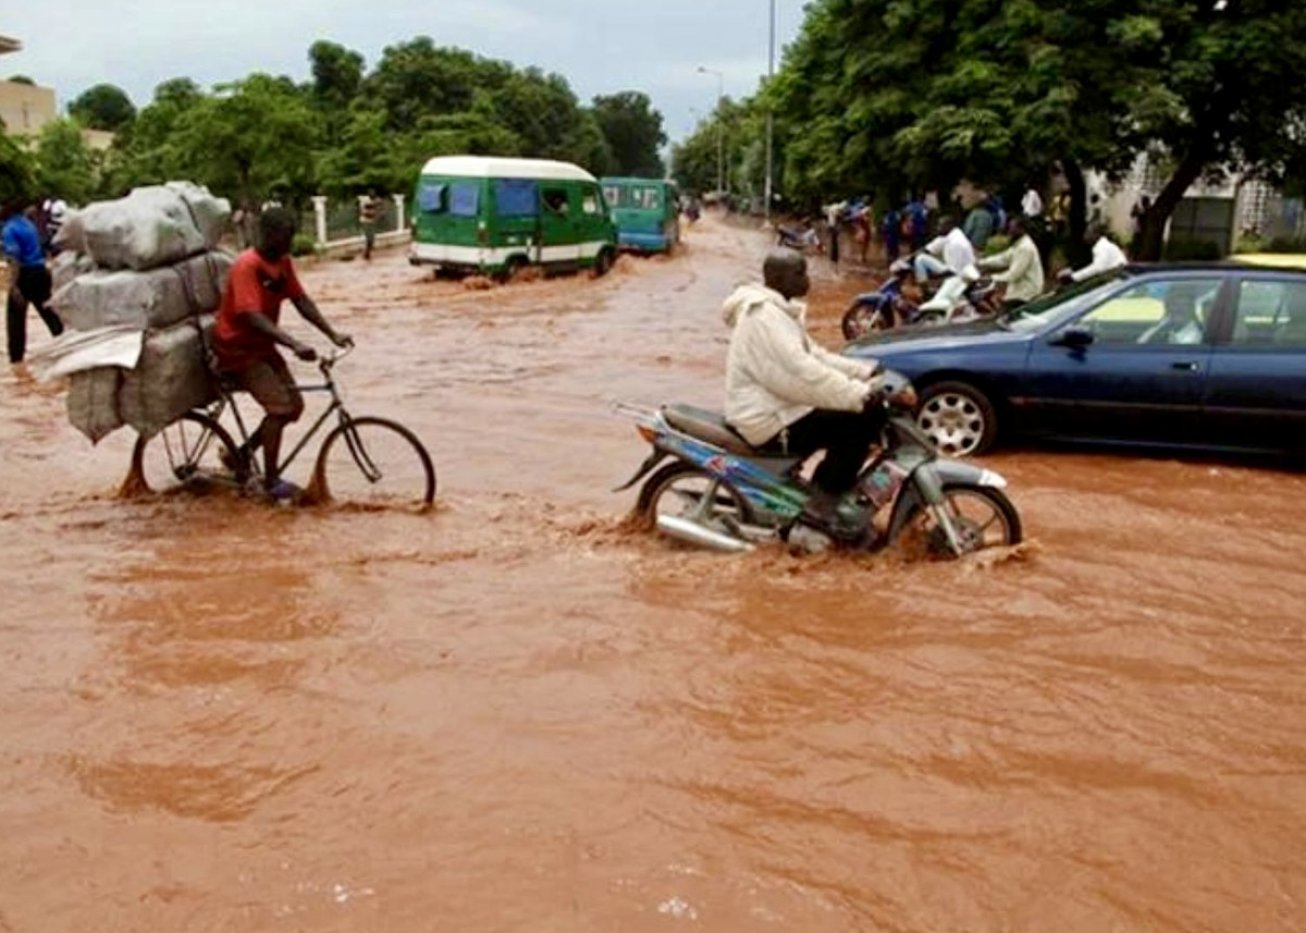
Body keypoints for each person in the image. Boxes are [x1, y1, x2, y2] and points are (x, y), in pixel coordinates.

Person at [722, 249, 887, 535]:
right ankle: (821, 507)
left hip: (780, 409)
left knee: (858, 415)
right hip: (768, 420)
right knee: (857, 423)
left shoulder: (779, 312)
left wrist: (864, 371)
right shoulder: (764, 318)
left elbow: (815, 356)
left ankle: (822, 493)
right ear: (777, 278)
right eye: (800, 273)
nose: (807, 279)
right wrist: (858, 395)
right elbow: (802, 376)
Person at [210, 208, 353, 501]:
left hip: (262, 347)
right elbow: (251, 316)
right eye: (286, 237)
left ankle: (240, 455)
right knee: (280, 409)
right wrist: (294, 343)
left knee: (295, 407)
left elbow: (301, 300)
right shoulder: (246, 266)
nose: (290, 243)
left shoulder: (283, 263)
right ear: (270, 235)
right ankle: (270, 481)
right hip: (237, 348)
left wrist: (332, 333)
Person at [2, 201, 64, 366]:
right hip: (41, 272)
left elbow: (14, 260)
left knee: (15, 321)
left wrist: (13, 285)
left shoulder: (9, 229)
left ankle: (17, 361)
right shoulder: (28, 224)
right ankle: (65, 344)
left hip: (24, 275)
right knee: (49, 313)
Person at [977, 216, 1045, 308]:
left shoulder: (1025, 248)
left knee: (1005, 313)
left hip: (1027, 292)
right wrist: (981, 262)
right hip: (1020, 288)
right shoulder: (1018, 243)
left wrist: (992, 278)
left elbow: (1014, 274)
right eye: (1010, 227)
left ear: (1021, 229)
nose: (1009, 230)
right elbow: (1003, 258)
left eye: (1013, 228)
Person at [914, 216, 976, 284]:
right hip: (950, 269)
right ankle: (923, 285)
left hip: (962, 275)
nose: (938, 228)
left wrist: (934, 279)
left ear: (948, 226)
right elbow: (927, 249)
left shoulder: (956, 243)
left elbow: (953, 272)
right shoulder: (948, 235)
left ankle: (924, 289)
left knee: (920, 260)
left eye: (940, 226)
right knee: (920, 258)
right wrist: (907, 259)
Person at [1059, 223, 1128, 283]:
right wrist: (1071, 270)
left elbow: (1097, 268)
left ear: (1096, 234)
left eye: (1088, 232)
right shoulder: (1100, 246)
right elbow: (1087, 263)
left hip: (1118, 280)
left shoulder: (1102, 247)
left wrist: (1073, 277)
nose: (1085, 236)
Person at [1138, 286, 1205, 345]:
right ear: (1167, 307)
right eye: (1174, 304)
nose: (1177, 309)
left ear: (1191, 308)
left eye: (1184, 305)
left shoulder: (1195, 335)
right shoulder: (1164, 324)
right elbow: (1141, 343)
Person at [359, 190, 382, 261]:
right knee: (369, 238)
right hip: (365, 221)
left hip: (371, 222)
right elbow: (364, 211)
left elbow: (377, 207)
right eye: (372, 194)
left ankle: (367, 252)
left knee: (372, 238)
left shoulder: (373, 201)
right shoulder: (366, 201)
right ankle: (366, 253)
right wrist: (374, 206)